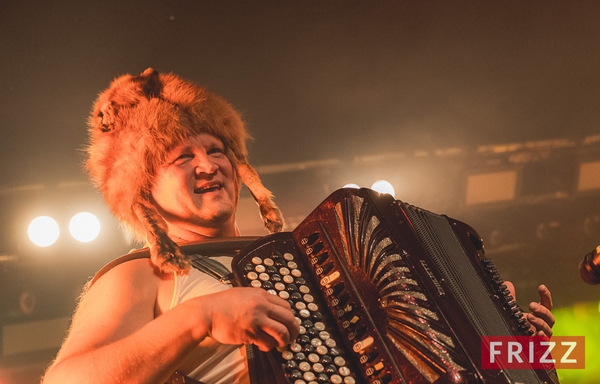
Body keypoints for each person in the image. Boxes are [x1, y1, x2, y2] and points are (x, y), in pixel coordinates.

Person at [42, 68, 555, 384]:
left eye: (218, 149)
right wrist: (196, 319)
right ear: (142, 188)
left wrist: (516, 345)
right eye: (181, 156)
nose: (208, 164)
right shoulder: (139, 275)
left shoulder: (308, 255)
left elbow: (416, 350)